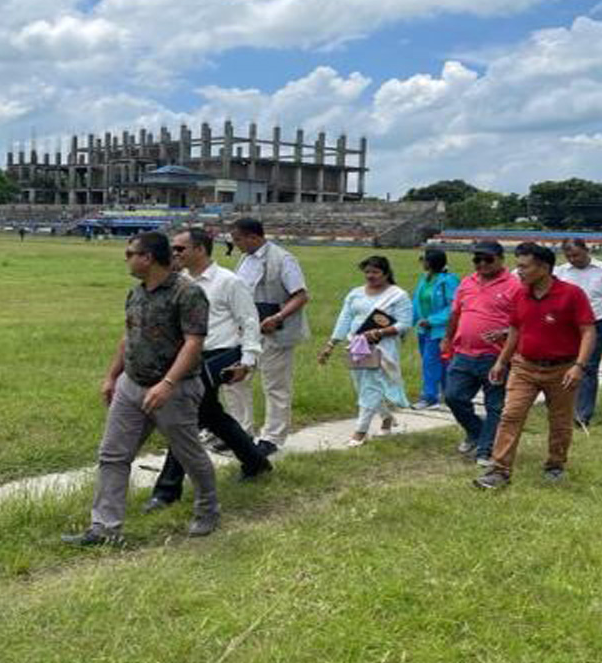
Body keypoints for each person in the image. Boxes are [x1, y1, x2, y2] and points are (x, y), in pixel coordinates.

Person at [61, 231, 219, 546]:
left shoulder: (187, 293)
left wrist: (168, 383)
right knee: (112, 455)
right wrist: (112, 377)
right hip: (132, 386)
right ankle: (105, 528)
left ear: (148, 258)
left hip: (174, 391)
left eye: (131, 253)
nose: (127, 259)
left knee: (189, 454)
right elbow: (128, 337)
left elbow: (194, 343)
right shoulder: (136, 294)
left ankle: (208, 511)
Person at [145, 229, 273, 512]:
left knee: (184, 417)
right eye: (173, 249)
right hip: (189, 355)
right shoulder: (177, 282)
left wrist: (248, 361)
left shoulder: (229, 282)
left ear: (200, 249)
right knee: (212, 416)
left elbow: (249, 321)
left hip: (219, 354)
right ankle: (255, 462)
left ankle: (167, 491)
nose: (174, 254)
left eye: (180, 249)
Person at [474, 243, 596, 489]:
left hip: (562, 369)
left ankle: (555, 465)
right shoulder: (520, 294)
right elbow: (516, 330)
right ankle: (499, 470)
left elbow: (588, 331)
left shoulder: (572, 294)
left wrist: (579, 366)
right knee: (510, 415)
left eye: (524, 266)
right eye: (518, 265)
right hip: (524, 368)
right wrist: (501, 361)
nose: (518, 271)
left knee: (560, 420)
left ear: (543, 267)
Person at [227, 217, 310, 456]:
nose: (235, 244)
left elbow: (301, 295)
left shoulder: (283, 259)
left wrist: (279, 318)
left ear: (253, 236)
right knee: (235, 379)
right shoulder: (244, 259)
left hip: (275, 330)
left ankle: (273, 437)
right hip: (247, 329)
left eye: (238, 239)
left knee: (275, 385)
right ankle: (240, 431)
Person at [441, 240, 523, 466]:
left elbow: (523, 322)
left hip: (496, 356)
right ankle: (477, 433)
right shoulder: (467, 281)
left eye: (488, 259)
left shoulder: (515, 285)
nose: (482, 264)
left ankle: (486, 450)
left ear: (501, 259)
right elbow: (456, 313)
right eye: (477, 259)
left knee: (494, 405)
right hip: (464, 353)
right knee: (453, 396)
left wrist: (505, 334)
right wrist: (448, 338)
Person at [318, 256, 412, 446]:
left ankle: (360, 432)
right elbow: (344, 319)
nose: (370, 276)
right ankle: (386, 418)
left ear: (386, 273)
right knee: (361, 386)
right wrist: (331, 344)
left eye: (375, 272)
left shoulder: (398, 295)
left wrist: (379, 332)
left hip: (381, 347)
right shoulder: (355, 293)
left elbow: (405, 323)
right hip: (357, 346)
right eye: (367, 272)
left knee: (371, 386)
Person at [555, 238, 602, 426]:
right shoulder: (560, 272)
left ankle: (582, 414)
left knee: (587, 367)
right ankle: (561, 405)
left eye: (576, 254)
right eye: (568, 255)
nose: (573, 259)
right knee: (563, 365)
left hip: (596, 324)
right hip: (567, 325)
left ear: (587, 250)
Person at [411, 246, 459, 409]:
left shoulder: (448, 280)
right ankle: (447, 395)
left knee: (431, 362)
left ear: (430, 261)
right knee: (434, 362)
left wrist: (432, 320)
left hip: (440, 330)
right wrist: (408, 322)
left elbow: (454, 306)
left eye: (423, 259)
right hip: (423, 330)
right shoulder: (425, 279)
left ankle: (430, 397)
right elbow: (417, 302)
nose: (421, 262)